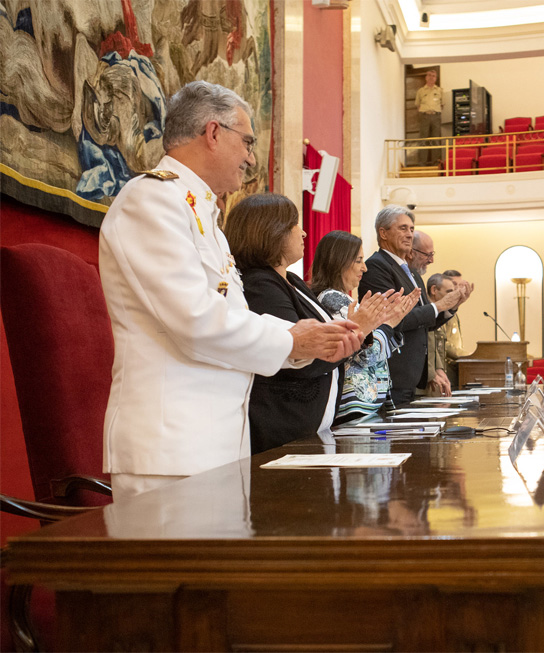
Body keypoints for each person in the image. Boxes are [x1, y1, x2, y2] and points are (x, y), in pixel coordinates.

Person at [98, 81, 360, 499]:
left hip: (215, 445)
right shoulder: (151, 200)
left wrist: (300, 348)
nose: (252, 157)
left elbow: (233, 320)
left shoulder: (204, 217)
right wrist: (292, 338)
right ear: (214, 132)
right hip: (173, 449)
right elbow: (195, 320)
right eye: (248, 142)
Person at [225, 193, 385, 453]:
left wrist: (358, 327)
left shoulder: (293, 280)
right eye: (294, 224)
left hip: (312, 423)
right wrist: (358, 327)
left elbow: (324, 337)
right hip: (282, 424)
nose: (304, 233)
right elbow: (300, 356)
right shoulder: (260, 285)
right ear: (270, 232)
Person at [358, 207, 464, 405]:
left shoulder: (412, 272)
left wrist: (450, 307)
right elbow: (393, 320)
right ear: (383, 233)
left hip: (412, 377)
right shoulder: (377, 266)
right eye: (403, 228)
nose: (409, 234)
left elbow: (425, 323)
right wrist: (438, 305)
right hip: (393, 375)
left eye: (411, 229)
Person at [310, 230, 418, 423]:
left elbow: (373, 345)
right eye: (359, 260)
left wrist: (390, 321)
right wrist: (388, 324)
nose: (365, 268)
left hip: (365, 404)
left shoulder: (344, 299)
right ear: (339, 261)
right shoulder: (332, 299)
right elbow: (366, 353)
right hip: (354, 405)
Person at [424, 273, 456, 396]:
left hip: (435, 377)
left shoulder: (440, 313)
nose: (452, 296)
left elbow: (434, 347)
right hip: (424, 379)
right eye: (449, 292)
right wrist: (431, 373)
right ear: (434, 290)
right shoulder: (425, 310)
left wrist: (439, 369)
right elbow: (422, 343)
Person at [441, 269, 474, 386]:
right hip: (445, 369)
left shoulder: (453, 309)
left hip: (456, 367)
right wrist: (468, 355)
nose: (459, 289)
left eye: (461, 285)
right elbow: (442, 343)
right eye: (455, 285)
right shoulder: (441, 309)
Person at [415, 70, 443, 165]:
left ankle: (436, 162)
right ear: (426, 77)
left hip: (436, 117)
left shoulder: (440, 90)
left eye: (434, 76)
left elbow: (442, 105)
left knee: (436, 139)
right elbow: (418, 105)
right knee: (423, 139)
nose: (431, 77)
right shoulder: (421, 91)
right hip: (424, 116)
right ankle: (422, 163)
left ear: (436, 78)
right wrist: (425, 112)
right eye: (430, 75)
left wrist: (435, 112)